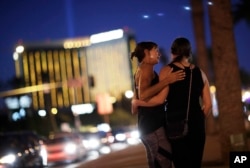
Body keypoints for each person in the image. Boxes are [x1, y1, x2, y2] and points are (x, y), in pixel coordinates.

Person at [133, 37, 212, 168]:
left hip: (176, 126)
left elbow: (161, 99)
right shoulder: (201, 73)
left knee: (181, 163)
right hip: (197, 126)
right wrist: (197, 120)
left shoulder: (167, 71)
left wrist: (137, 102)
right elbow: (208, 105)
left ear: (173, 52)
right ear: (189, 53)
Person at [131, 41, 185, 168]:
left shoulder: (140, 70)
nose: (159, 54)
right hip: (153, 127)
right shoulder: (146, 71)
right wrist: (168, 80)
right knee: (163, 160)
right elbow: (144, 95)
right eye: (155, 50)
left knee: (156, 162)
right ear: (146, 53)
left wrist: (137, 102)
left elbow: (135, 103)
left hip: (147, 126)